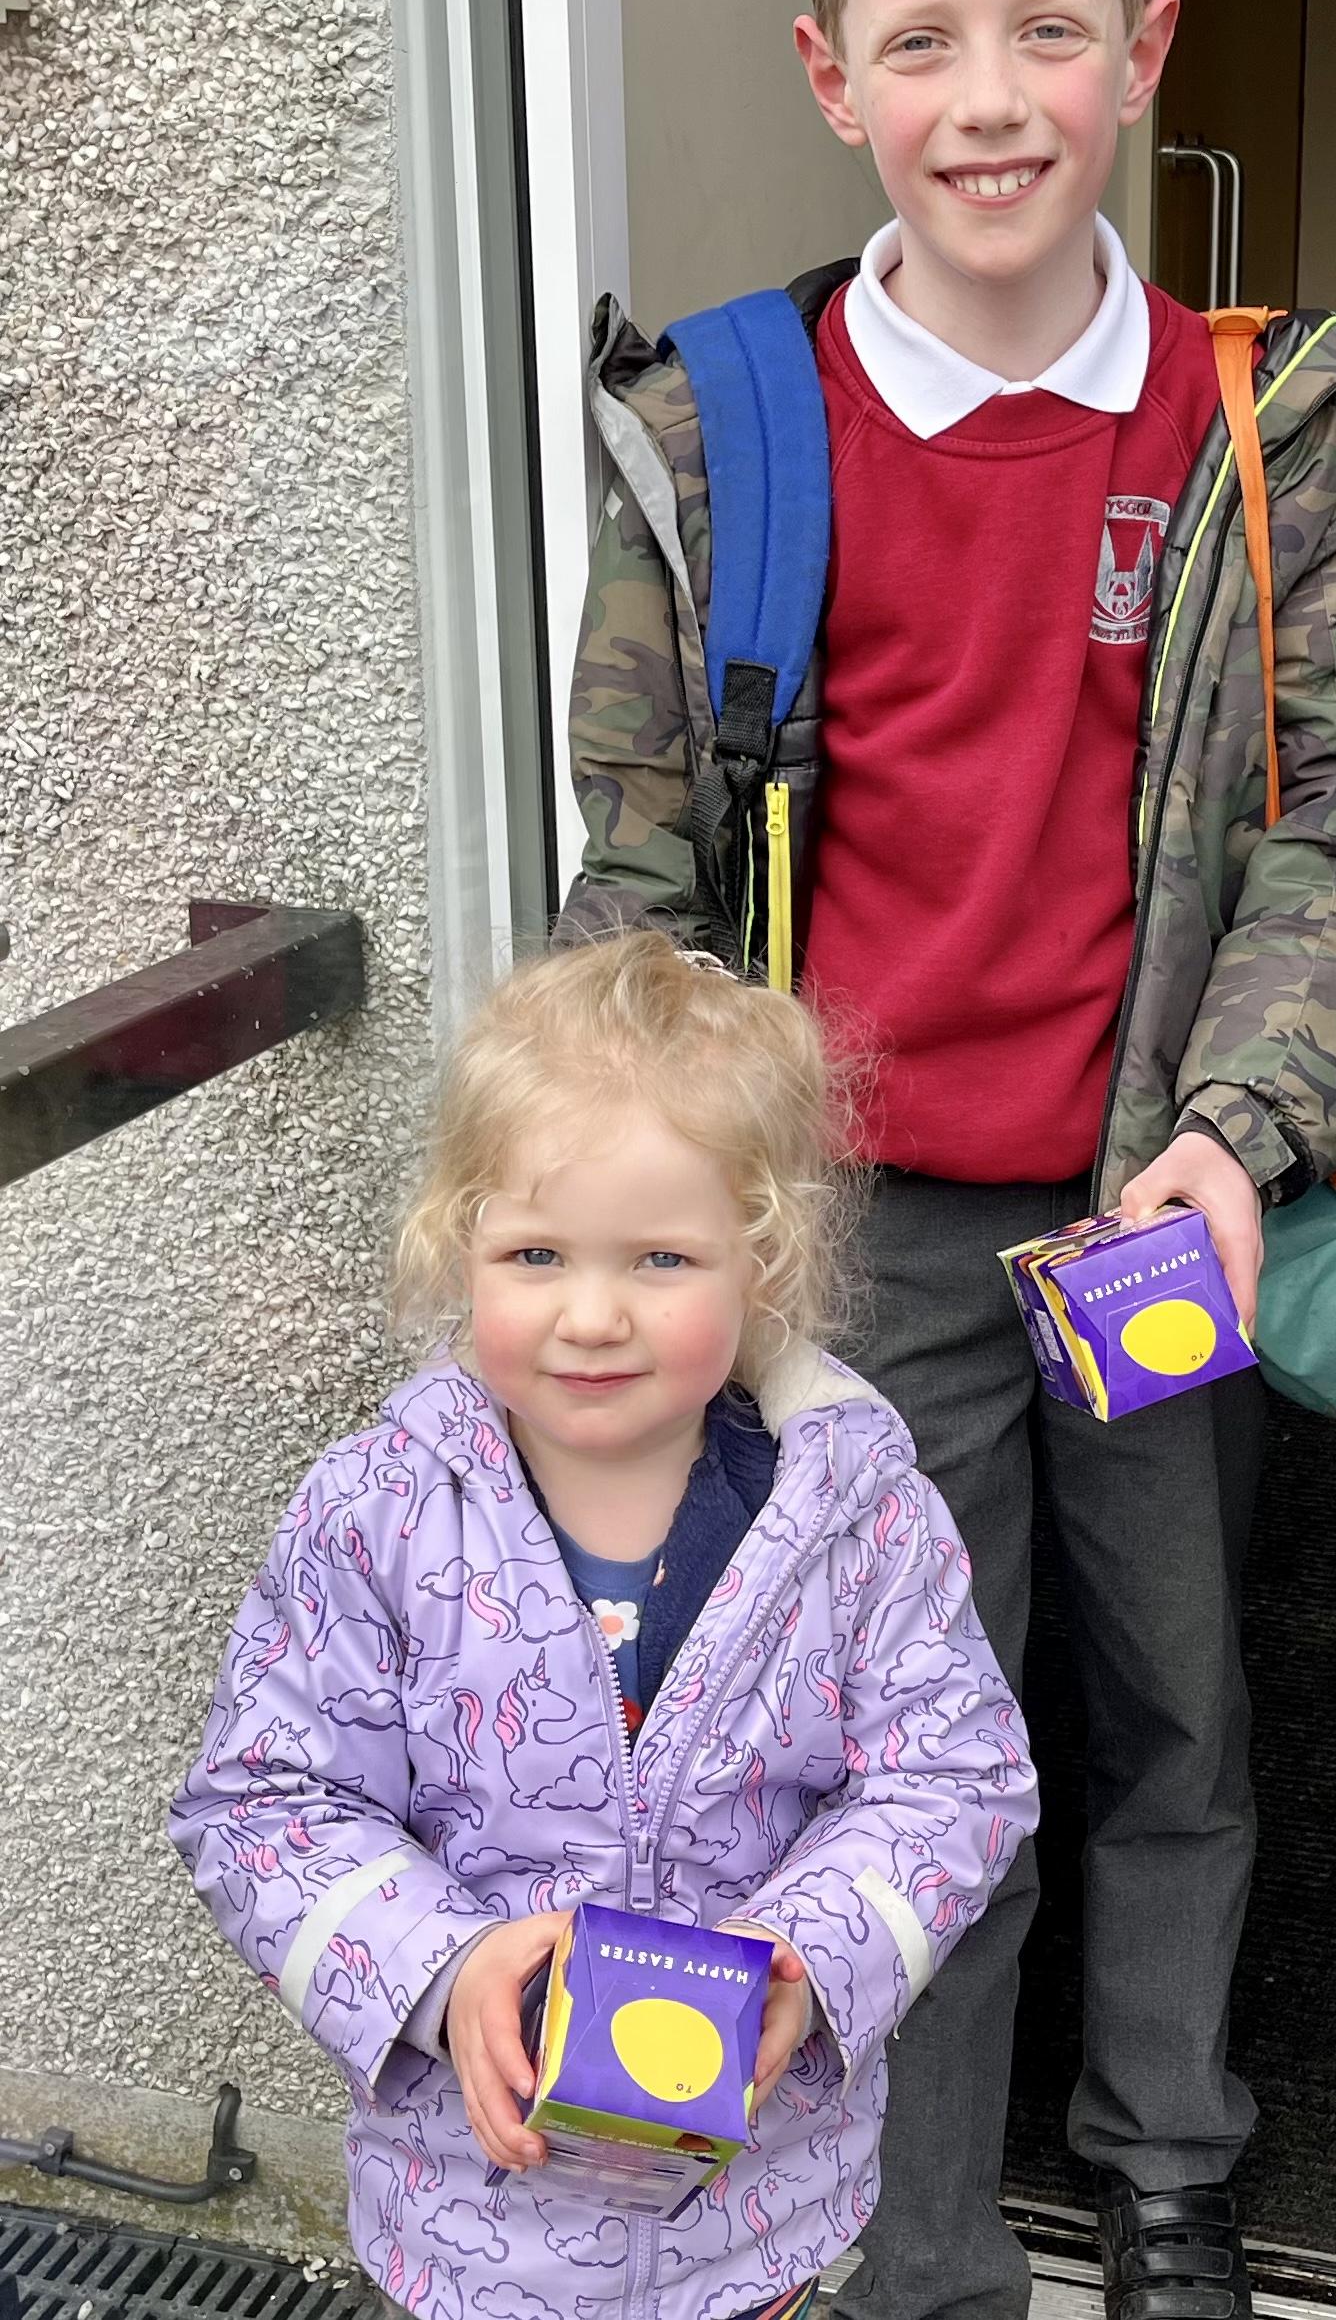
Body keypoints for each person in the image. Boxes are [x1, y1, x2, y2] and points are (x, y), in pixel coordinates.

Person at [559, 0, 1336, 2320]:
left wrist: (1240, 1129)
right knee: (894, 1753)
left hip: (1151, 1207)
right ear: (828, 73)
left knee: (1176, 1710)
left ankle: (1165, 2166)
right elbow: (639, 884)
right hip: (854, 1243)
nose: (989, 100)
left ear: (1141, 50)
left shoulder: (1262, 436)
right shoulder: (722, 436)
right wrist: (636, 1242)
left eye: (1046, 32)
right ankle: (922, 2249)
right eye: (921, 41)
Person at [168, 934, 1037, 2320]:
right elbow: (262, 1801)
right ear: (461, 1241)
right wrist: (440, 1965)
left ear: (760, 1258)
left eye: (660, 1257)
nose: (590, 1314)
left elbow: (957, 1778)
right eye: (536, 1252)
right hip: (468, 2233)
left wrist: (809, 1958)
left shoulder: (854, 1513)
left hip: (752, 2223)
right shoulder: (380, 1512)